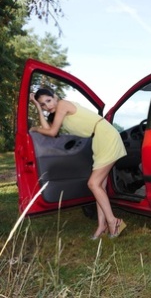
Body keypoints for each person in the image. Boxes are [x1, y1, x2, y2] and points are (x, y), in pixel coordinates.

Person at [29, 88, 127, 240]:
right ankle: (102, 226)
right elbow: (48, 128)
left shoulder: (62, 104)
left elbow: (52, 132)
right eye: (43, 105)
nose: (47, 106)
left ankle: (113, 222)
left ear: (55, 97)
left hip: (105, 136)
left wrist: (34, 128)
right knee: (99, 186)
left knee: (93, 184)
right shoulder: (57, 112)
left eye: (48, 101)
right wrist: (36, 105)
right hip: (98, 140)